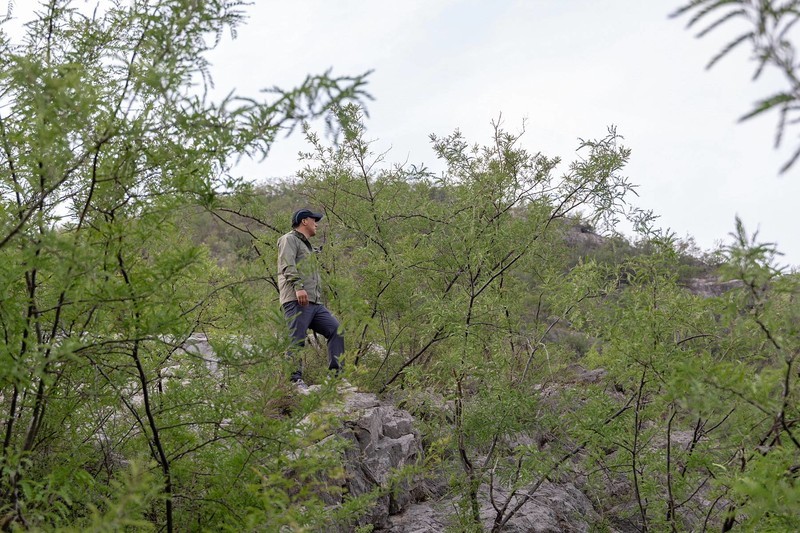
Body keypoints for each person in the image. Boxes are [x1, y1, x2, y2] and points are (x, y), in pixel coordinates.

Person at [277, 208, 344, 392]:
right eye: (315, 220)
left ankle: (335, 379)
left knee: (336, 330)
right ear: (304, 221)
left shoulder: (307, 246)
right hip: (296, 299)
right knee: (297, 339)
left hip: (314, 303)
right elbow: (287, 265)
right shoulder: (288, 239)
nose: (317, 223)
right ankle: (293, 382)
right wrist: (298, 288)